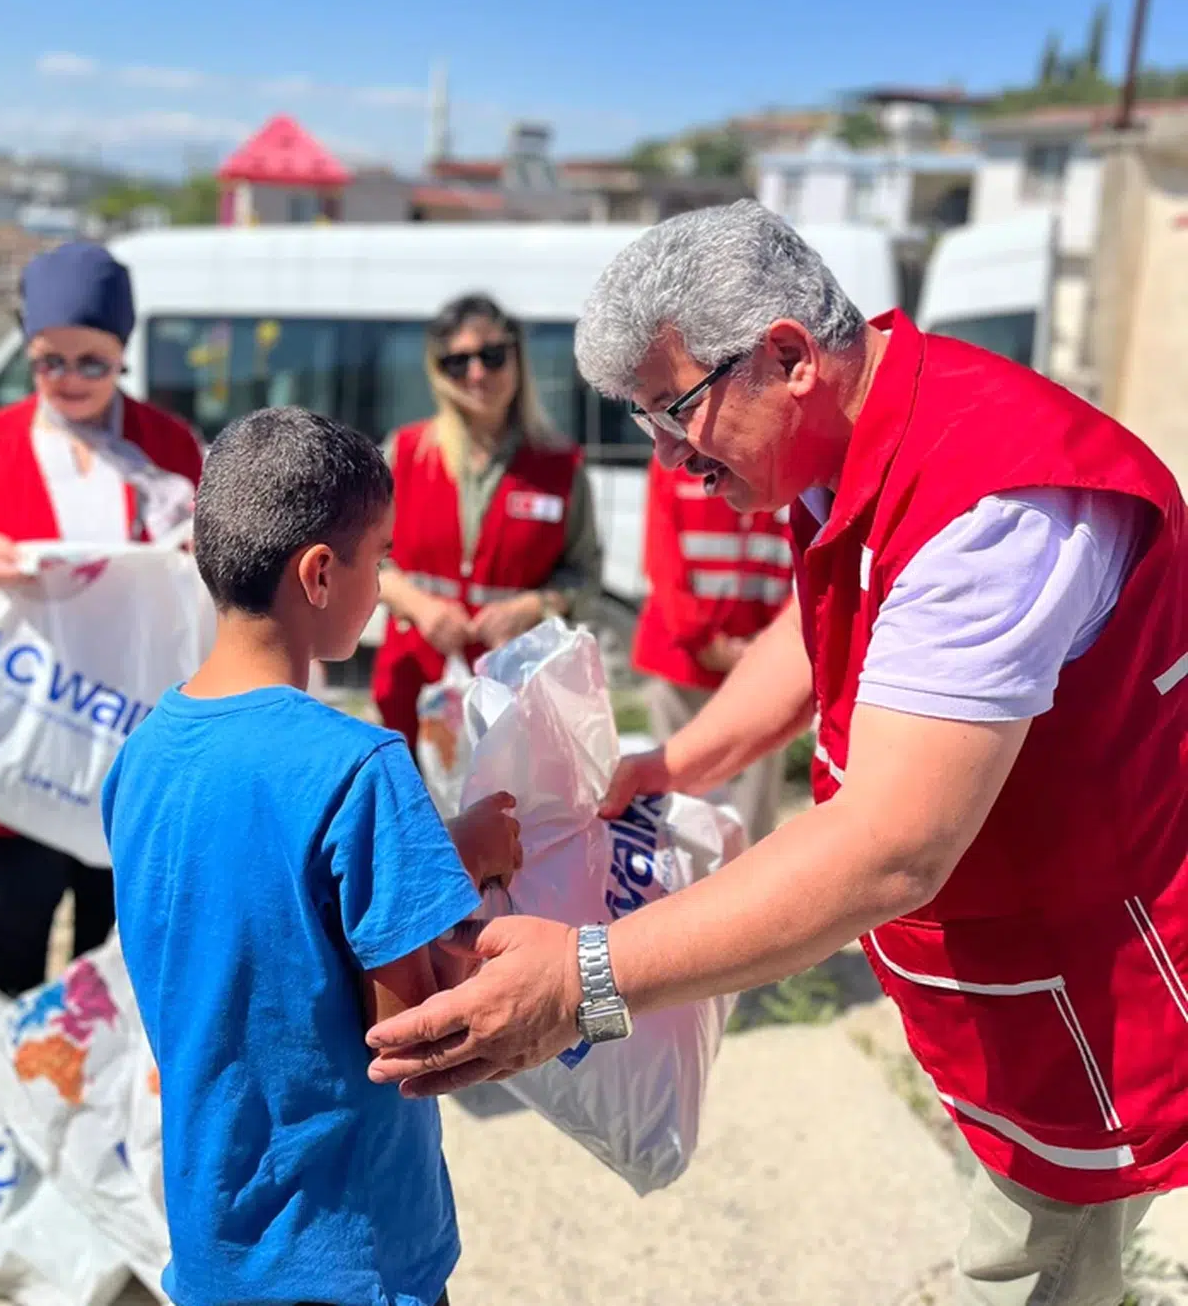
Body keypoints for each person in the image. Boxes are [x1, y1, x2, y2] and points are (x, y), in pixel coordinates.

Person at [366, 201, 1188, 1306]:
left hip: (1085, 1005)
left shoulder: (991, 509)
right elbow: (821, 628)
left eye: (672, 417)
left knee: (1033, 1266)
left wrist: (587, 980)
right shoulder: (865, 433)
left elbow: (889, 849)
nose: (668, 463)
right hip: (999, 981)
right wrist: (675, 764)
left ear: (788, 357)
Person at [102, 407, 521, 1306]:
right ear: (322, 573)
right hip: (353, 1252)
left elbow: (256, 917)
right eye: (382, 556)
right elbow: (413, 1041)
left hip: (216, 1239)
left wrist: (429, 855)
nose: (384, 583)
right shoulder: (362, 767)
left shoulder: (140, 756)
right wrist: (474, 874)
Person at [0, 240, 202, 997]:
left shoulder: (170, 449)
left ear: (123, 353)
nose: (69, 381)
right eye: (49, 362)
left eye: (92, 363)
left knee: (115, 967)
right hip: (13, 758)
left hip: (129, 759)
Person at [373, 292, 601, 747]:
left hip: (515, 691)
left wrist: (531, 607)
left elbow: (585, 575)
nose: (477, 374)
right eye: (458, 362)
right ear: (439, 371)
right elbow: (363, 561)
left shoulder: (560, 466)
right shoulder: (405, 453)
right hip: (413, 686)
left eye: (492, 357)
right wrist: (419, 606)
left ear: (518, 359)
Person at [633, 452, 793, 844]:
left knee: (753, 819)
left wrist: (769, 649)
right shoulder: (674, 460)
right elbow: (662, 562)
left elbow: (805, 566)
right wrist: (704, 641)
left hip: (766, 670)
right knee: (680, 813)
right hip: (684, 666)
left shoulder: (787, 461)